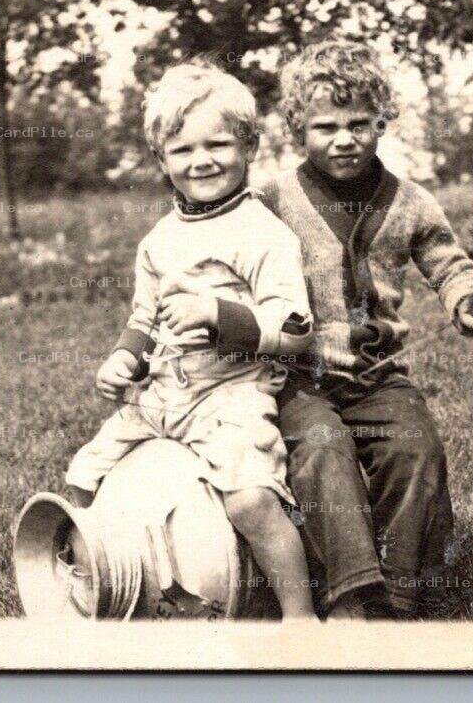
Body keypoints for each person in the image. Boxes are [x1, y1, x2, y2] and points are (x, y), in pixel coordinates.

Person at [62, 63, 318, 621]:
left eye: (218, 144)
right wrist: (124, 358)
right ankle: (89, 581)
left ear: (249, 146)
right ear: (161, 160)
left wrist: (218, 314)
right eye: (182, 150)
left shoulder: (263, 233)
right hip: (160, 394)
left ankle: (301, 617)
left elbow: (296, 329)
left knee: (250, 498)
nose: (201, 160)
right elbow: (144, 318)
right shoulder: (159, 240)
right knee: (83, 475)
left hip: (230, 393)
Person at [264, 40, 473, 619]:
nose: (344, 139)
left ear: (381, 123)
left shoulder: (409, 201)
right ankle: (352, 594)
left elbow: (447, 261)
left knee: (418, 452)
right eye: (326, 127)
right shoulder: (275, 200)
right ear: (297, 129)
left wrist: (466, 298)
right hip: (301, 374)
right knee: (321, 451)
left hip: (379, 375)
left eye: (359, 123)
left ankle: (403, 590)